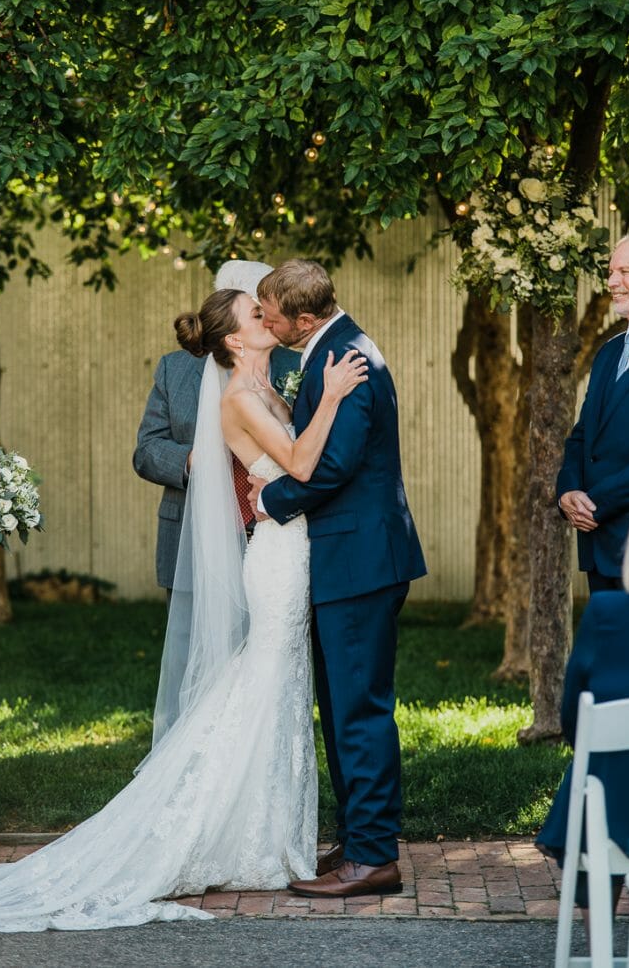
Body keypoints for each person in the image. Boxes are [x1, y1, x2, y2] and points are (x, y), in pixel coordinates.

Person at [0, 285, 366, 931]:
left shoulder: (267, 385)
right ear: (232, 336)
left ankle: (260, 833)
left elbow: (289, 461)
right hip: (250, 550)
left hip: (279, 542)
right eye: (255, 314)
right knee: (253, 681)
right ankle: (216, 826)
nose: (269, 318)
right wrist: (320, 407)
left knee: (269, 686)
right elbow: (285, 460)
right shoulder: (220, 389)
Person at [249, 259, 427, 898]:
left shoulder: (348, 359)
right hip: (346, 558)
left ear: (304, 319)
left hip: (361, 560)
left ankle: (375, 857)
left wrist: (271, 503)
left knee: (360, 710)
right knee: (341, 705)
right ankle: (358, 838)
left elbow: (336, 467)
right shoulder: (332, 349)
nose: (263, 320)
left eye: (270, 312)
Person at [133, 259, 299, 597]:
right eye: (255, 309)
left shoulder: (296, 366)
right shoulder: (174, 369)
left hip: (276, 533)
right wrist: (200, 457)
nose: (267, 317)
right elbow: (146, 452)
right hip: (192, 539)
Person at [536, 505, 629, 910]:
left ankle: (599, 945)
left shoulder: (606, 613)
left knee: (597, 773)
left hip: (614, 801)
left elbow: (573, 714)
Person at [558, 233, 629, 593]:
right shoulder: (608, 353)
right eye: (610, 272)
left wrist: (596, 503)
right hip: (600, 547)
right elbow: (583, 435)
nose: (611, 282)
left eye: (625, 270)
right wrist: (567, 492)